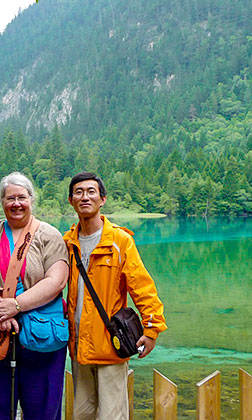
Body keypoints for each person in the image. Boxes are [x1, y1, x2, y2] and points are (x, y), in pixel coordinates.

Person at [64, 172, 167, 420]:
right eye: (78, 192)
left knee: (112, 416)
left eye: (91, 192)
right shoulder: (68, 242)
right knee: (82, 414)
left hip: (111, 344)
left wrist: (151, 329)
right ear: (71, 200)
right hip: (78, 346)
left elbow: (142, 287)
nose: (85, 197)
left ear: (103, 199)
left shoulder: (120, 241)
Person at [0, 172, 69, 419]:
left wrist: (16, 305)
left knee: (43, 404)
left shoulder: (49, 235)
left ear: (31, 200)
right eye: (10, 198)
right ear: (2, 202)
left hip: (42, 333)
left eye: (22, 197)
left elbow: (57, 279)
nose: (16, 204)